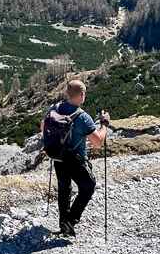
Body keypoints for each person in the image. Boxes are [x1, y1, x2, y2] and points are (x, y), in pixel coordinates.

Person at [43, 79, 110, 236]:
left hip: (57, 155)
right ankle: (71, 220)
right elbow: (98, 142)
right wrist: (104, 125)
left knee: (64, 189)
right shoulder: (82, 116)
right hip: (75, 159)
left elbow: (42, 126)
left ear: (67, 93)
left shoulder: (54, 108)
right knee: (88, 186)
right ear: (82, 95)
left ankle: (64, 224)